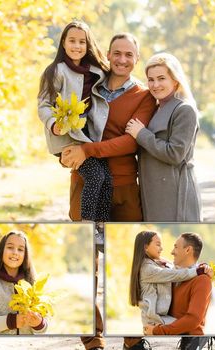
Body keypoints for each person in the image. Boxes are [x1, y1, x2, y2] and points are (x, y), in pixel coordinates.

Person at [62, 33, 157, 350]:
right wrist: (69, 153)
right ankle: (92, 337)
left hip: (124, 188)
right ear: (108, 55)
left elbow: (131, 142)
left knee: (127, 266)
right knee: (88, 266)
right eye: (117, 53)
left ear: (137, 59)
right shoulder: (88, 86)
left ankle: (132, 338)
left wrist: (88, 150)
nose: (122, 60)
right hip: (86, 184)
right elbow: (67, 125)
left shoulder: (143, 96)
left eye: (129, 54)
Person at [38, 20, 112, 222]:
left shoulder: (96, 71)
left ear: (88, 46)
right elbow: (43, 104)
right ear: (63, 42)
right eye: (72, 41)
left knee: (106, 178)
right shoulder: (55, 71)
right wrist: (54, 124)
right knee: (95, 176)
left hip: (88, 136)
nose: (77, 46)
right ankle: (87, 222)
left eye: (82, 42)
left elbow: (117, 79)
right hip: (65, 137)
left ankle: (102, 223)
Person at [125, 52, 201, 221]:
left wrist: (141, 134)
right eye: (151, 80)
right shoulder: (153, 108)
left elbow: (175, 153)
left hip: (174, 191)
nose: (155, 85)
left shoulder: (184, 110)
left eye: (161, 78)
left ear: (175, 80)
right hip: (152, 190)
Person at [0, 231, 48, 334]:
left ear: (25, 255)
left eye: (20, 249)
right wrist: (10, 321)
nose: (15, 252)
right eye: (10, 247)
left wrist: (39, 324)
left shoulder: (33, 283)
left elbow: (46, 323)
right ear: (1, 251)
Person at [129, 231, 211, 328]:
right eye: (158, 245)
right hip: (154, 319)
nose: (162, 248)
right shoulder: (147, 269)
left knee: (190, 324)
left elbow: (177, 267)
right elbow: (174, 274)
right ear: (146, 247)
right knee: (189, 326)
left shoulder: (155, 263)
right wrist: (198, 271)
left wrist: (203, 266)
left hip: (161, 316)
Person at [144, 233, 212, 344]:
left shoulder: (202, 280)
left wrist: (158, 331)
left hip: (188, 337)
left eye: (176, 247)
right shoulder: (169, 273)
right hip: (168, 332)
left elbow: (193, 320)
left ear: (188, 250)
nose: (171, 252)